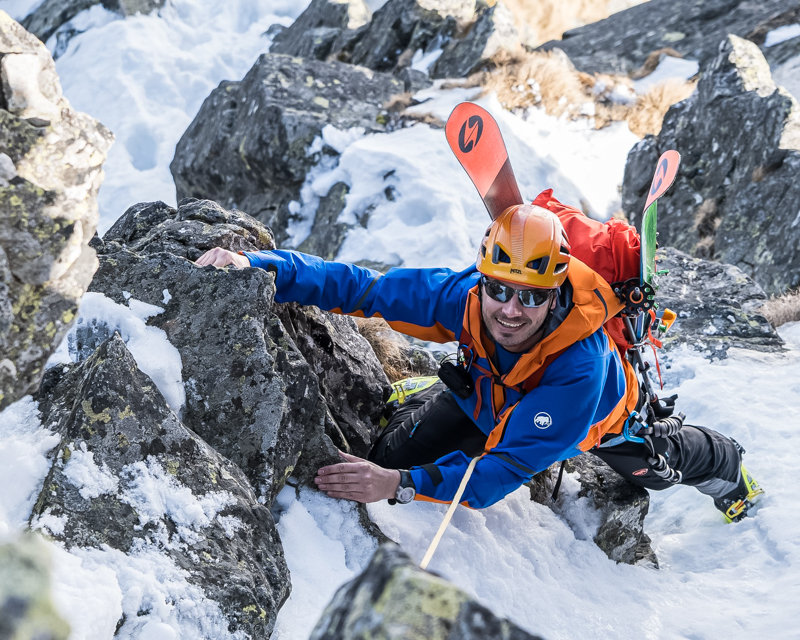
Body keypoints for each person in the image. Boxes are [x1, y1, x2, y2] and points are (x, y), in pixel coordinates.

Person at [196, 190, 763, 523]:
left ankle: (728, 466)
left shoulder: (580, 371)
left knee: (655, 472)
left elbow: (500, 473)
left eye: (532, 297)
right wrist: (262, 267)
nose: (511, 310)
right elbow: (361, 287)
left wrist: (396, 488)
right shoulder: (460, 296)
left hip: (600, 422)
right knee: (391, 451)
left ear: (555, 292)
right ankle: (428, 395)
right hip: (487, 396)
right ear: (483, 279)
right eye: (500, 290)